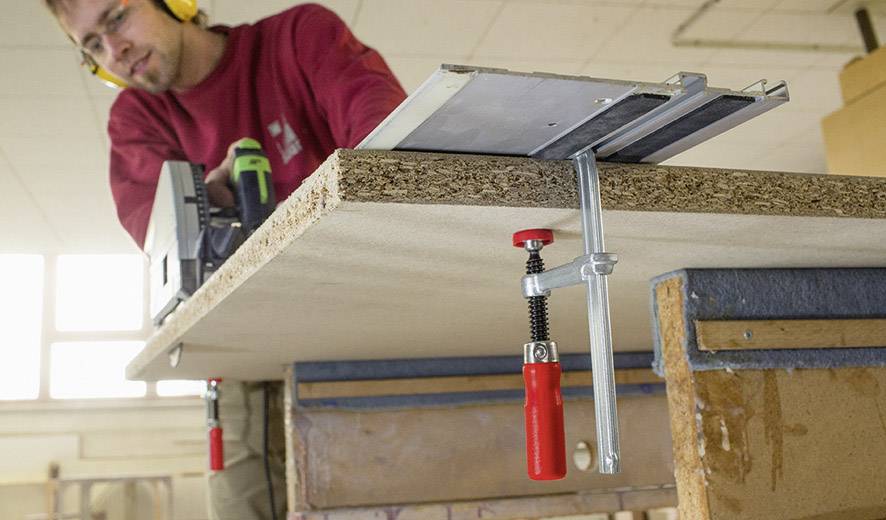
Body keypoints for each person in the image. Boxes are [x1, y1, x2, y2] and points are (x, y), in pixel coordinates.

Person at [41, 1, 407, 518]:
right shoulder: (137, 118)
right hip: (244, 353)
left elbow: (387, 150)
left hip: (362, 326)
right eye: (93, 46)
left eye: (117, 18)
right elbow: (158, 234)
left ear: (178, 3)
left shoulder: (299, 38)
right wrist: (207, 194)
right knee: (244, 504)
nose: (115, 51)